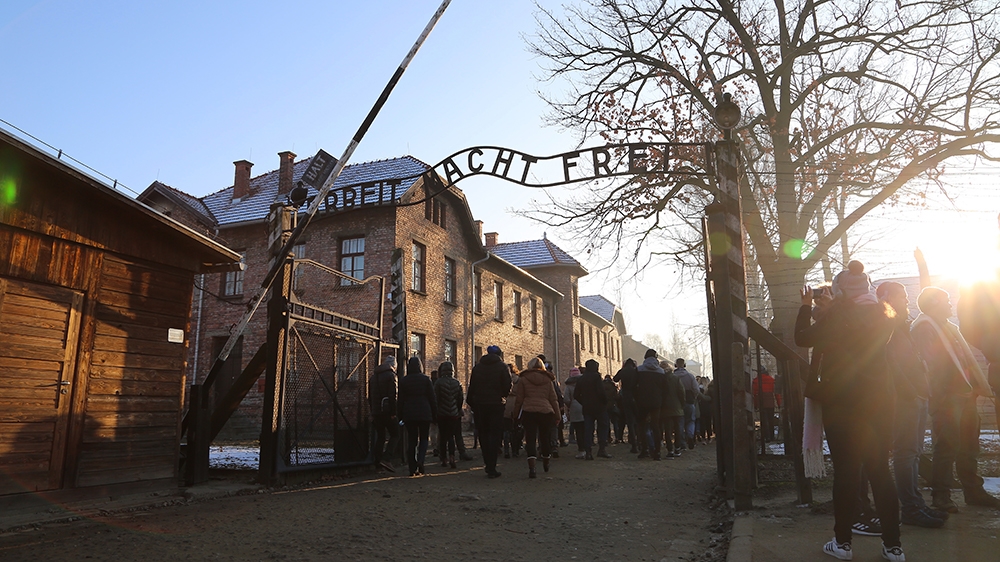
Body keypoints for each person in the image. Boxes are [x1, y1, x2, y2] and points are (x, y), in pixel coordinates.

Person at [795, 261, 904, 562]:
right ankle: (893, 546)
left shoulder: (835, 317)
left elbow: (802, 337)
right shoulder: (885, 315)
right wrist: (835, 306)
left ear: (840, 291)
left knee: (846, 471)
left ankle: (842, 543)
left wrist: (806, 306)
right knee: (880, 470)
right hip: (880, 401)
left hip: (842, 403)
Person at [911, 287, 1000, 511]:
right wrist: (955, 390)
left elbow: (962, 361)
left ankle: (973, 491)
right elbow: (933, 366)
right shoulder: (924, 328)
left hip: (964, 396)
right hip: (947, 399)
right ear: (933, 304)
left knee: (969, 445)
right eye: (946, 300)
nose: (950, 304)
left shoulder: (947, 326)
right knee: (946, 447)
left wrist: (973, 387)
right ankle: (941, 496)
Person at [876, 282, 948, 528]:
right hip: (905, 397)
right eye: (902, 296)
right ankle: (910, 508)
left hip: (918, 394)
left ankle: (916, 503)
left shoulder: (902, 325)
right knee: (905, 453)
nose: (906, 301)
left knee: (914, 452)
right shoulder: (885, 326)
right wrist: (908, 391)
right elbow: (891, 362)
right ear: (886, 298)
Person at [466, 345, 512, 478]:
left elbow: (472, 387)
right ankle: (492, 466)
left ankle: (487, 463)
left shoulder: (477, 368)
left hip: (480, 405)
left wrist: (473, 403)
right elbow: (508, 385)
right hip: (496, 404)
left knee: (484, 434)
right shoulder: (502, 367)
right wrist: (502, 396)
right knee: (495, 434)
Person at [512, 357, 561, 478]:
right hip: (546, 411)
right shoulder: (548, 380)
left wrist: (515, 414)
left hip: (529, 411)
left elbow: (519, 399)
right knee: (545, 438)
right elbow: (553, 399)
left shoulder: (523, 379)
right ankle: (546, 462)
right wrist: (557, 415)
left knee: (530, 439)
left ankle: (532, 468)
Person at [397, 356, 436, 477]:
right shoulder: (426, 380)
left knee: (412, 440)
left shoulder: (404, 381)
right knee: (424, 438)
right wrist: (434, 414)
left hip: (409, 413)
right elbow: (432, 398)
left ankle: (412, 467)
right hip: (424, 412)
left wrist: (400, 415)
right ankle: (421, 459)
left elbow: (400, 400)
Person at [368, 355, 399, 472]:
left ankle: (377, 463)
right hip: (387, 411)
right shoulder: (391, 376)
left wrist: (372, 411)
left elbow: (370, 396)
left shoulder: (373, 377)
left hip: (376, 412)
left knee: (380, 437)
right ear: (394, 366)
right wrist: (394, 412)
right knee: (395, 434)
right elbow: (393, 395)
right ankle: (387, 458)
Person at [575, 359, 610, 459]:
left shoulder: (581, 379)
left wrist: (583, 402)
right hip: (600, 407)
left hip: (587, 407)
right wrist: (605, 401)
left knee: (588, 429)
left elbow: (576, 394)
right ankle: (602, 449)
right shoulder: (596, 377)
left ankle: (588, 452)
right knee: (603, 427)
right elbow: (601, 391)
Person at [634, 349, 665, 460]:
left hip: (642, 402)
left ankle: (644, 449)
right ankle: (657, 452)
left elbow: (634, 386)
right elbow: (664, 388)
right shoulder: (661, 372)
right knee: (656, 426)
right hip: (656, 402)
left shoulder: (639, 370)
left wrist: (637, 398)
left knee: (642, 426)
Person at [434, 361, 464, 470]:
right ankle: (452, 456)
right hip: (453, 414)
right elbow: (460, 398)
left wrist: (436, 410)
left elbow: (436, 398)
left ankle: (443, 458)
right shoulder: (457, 383)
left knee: (443, 436)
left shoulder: (438, 383)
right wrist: (457, 408)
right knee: (451, 436)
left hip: (442, 414)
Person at [613, 358, 640, 452]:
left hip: (626, 397)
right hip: (636, 397)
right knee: (638, 421)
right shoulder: (636, 371)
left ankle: (634, 445)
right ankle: (639, 442)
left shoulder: (623, 371)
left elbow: (615, 379)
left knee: (629, 421)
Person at [660, 359, 685, 457]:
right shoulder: (676, 378)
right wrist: (682, 404)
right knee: (678, 429)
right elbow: (681, 392)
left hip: (665, 408)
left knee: (668, 430)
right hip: (677, 407)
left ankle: (670, 450)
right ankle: (677, 448)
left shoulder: (661, 379)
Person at [674, 358, 700, 449]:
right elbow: (696, 389)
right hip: (689, 401)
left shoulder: (673, 376)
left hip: (677, 403)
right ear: (684, 365)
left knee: (680, 423)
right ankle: (690, 436)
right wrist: (694, 397)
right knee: (691, 421)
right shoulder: (690, 376)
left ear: (675, 365)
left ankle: (682, 443)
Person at [563, 367, 586, 459]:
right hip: (585, 406)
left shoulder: (568, 386)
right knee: (586, 429)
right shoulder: (584, 384)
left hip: (574, 408)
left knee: (578, 430)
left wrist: (569, 406)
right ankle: (587, 448)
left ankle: (581, 450)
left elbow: (566, 399)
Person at [503, 365, 523, 459]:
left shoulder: (504, 379)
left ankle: (506, 450)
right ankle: (515, 450)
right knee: (516, 429)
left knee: (506, 429)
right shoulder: (519, 380)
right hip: (516, 404)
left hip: (506, 404)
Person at [753, 369, 777, 442]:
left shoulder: (756, 381)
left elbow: (754, 394)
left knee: (764, 420)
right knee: (771, 420)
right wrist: (779, 403)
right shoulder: (771, 380)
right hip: (770, 402)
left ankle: (766, 437)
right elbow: (777, 393)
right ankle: (772, 436)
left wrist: (755, 405)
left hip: (762, 403)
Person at [603, 374, 621, 443]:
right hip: (612, 406)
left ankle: (608, 438)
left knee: (606, 423)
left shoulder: (602, 386)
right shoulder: (613, 386)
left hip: (605, 407)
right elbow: (617, 397)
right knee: (615, 423)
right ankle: (617, 437)